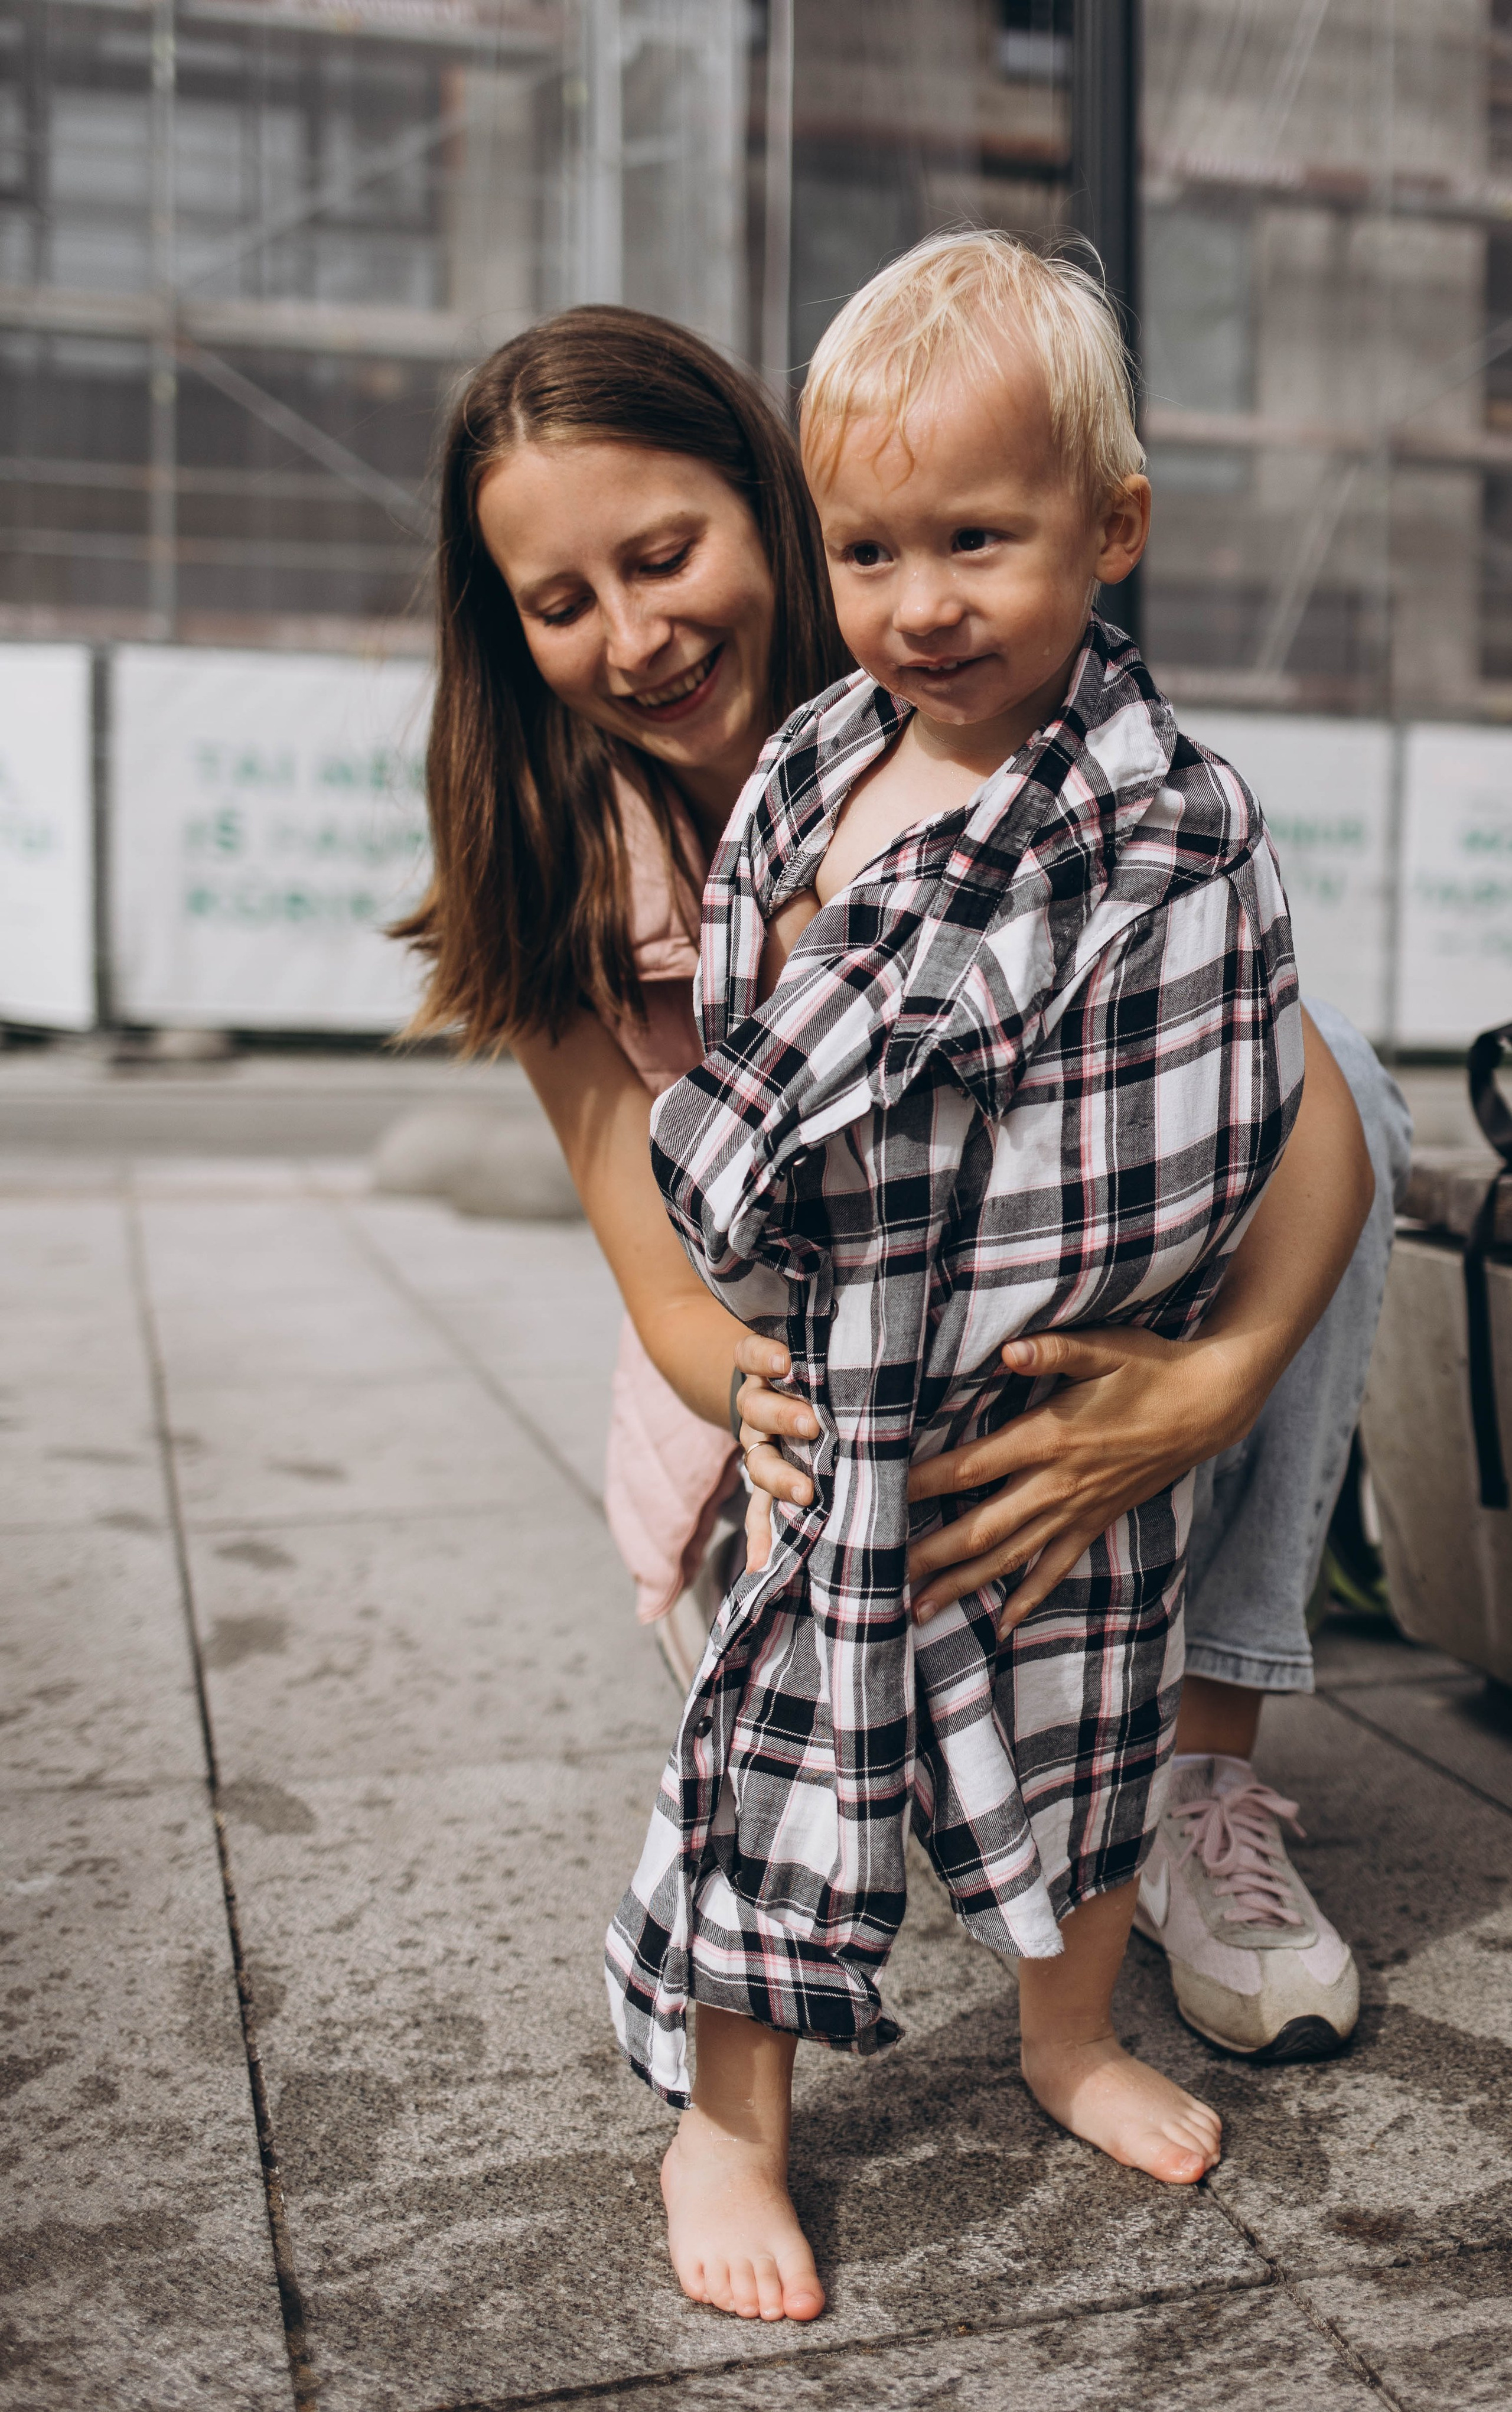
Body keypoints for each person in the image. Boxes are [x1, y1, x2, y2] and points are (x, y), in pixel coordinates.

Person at [397, 297, 1402, 2092]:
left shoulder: (960, 691)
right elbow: (665, 1277)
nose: (634, 637)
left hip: (1030, 1334)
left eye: (664, 555)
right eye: (563, 603)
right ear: (509, 629)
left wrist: (1201, 1388)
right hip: (783, 1399)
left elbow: (1300, 1104)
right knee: (842, 1665)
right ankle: (827, 1944)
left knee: (1347, 1096)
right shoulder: (567, 868)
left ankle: (1193, 1768)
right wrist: (784, 1415)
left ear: (770, 504)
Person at [607, 227, 1315, 2322]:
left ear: (1115, 529)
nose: (921, 604)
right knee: (781, 1743)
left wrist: (1178, 1328)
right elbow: (741, 1056)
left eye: (981, 542)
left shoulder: (1157, 812)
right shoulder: (816, 778)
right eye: (871, 550)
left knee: (1093, 1740)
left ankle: (1065, 2029)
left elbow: (1243, 1064)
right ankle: (726, 2120)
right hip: (851, 1375)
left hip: (1055, 1382)